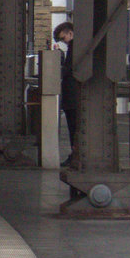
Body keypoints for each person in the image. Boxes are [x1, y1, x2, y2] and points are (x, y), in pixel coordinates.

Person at [53, 21, 77, 165]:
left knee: (73, 126)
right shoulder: (74, 47)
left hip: (72, 94)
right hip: (71, 94)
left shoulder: (74, 46)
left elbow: (68, 68)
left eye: (63, 38)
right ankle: (75, 153)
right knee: (73, 126)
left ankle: (75, 154)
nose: (64, 42)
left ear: (70, 33)